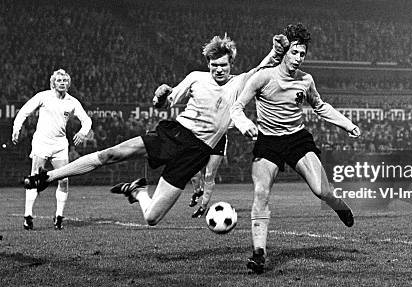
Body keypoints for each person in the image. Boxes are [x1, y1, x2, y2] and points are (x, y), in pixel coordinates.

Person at [24, 35, 282, 227]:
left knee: (151, 218)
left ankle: (138, 191)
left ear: (231, 65)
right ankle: (47, 178)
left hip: (196, 154)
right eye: (214, 64)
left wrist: (275, 50)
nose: (218, 69)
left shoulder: (239, 83)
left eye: (223, 65)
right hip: (175, 134)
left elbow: (260, 69)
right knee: (111, 154)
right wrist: (160, 96)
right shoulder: (196, 78)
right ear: (208, 63)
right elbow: (166, 102)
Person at [231, 23, 361, 274]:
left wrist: (348, 125)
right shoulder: (263, 76)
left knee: (322, 190)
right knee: (260, 193)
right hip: (268, 141)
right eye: (294, 53)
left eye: (302, 54)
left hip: (296, 139)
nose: (299, 58)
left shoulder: (305, 80)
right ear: (285, 52)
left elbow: (320, 106)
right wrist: (244, 124)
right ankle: (259, 253)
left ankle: (338, 204)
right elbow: (236, 107)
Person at [12, 69, 92, 230]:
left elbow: (87, 120)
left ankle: (59, 217)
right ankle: (28, 216)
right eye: (59, 80)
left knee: (64, 180)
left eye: (64, 80)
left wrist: (83, 133)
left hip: (60, 145)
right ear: (53, 83)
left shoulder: (72, 101)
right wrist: (16, 128)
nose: (62, 82)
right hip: (42, 142)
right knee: (34, 178)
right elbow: (25, 111)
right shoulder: (44, 96)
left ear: (68, 84)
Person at [188, 134, 227, 218]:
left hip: (218, 140)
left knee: (209, 175)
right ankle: (197, 191)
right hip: (202, 137)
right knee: (193, 170)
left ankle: (203, 207)